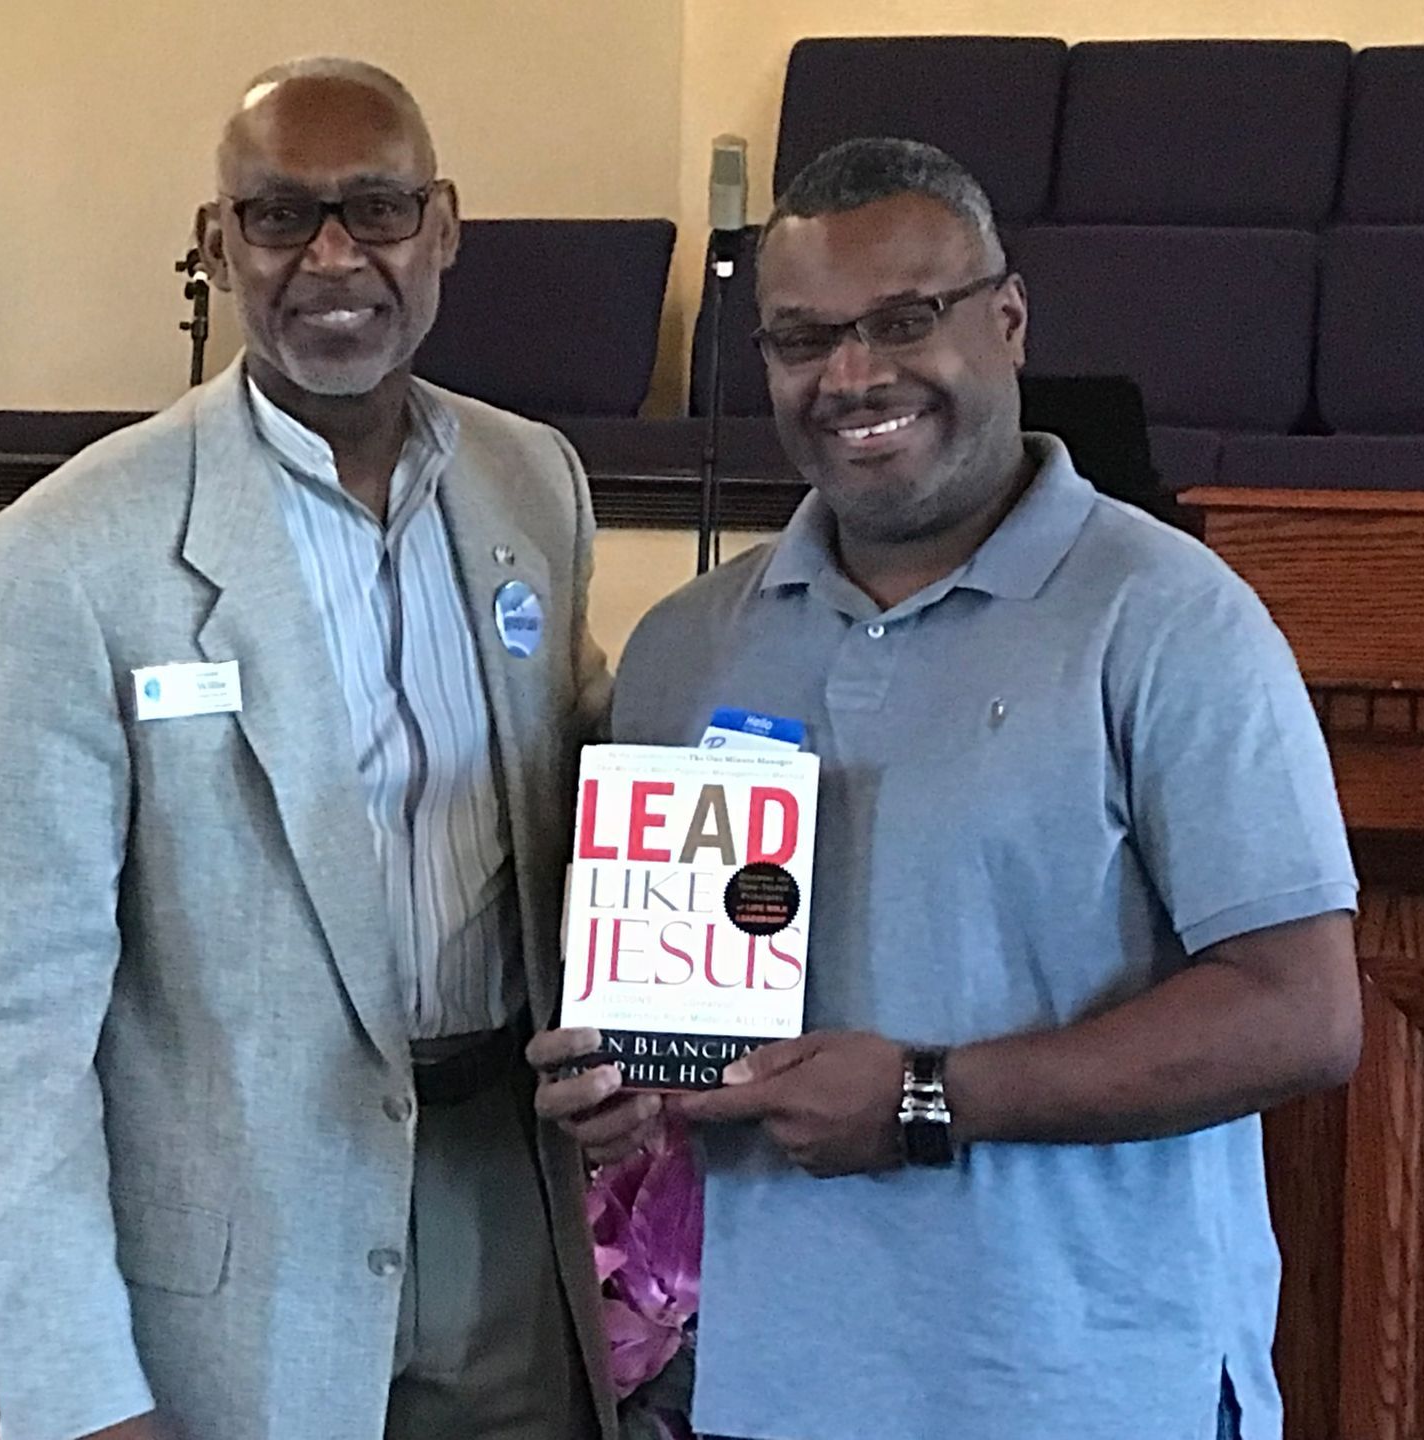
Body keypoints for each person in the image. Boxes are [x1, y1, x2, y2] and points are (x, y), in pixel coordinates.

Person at [530, 137, 1361, 1440]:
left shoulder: (1170, 617)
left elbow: (1303, 1014)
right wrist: (622, 1089)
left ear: (1009, 321)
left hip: (1091, 1393)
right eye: (804, 338)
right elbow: (687, 1013)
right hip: (777, 1393)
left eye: (905, 320)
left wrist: (927, 1096)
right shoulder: (684, 649)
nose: (854, 376)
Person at [0, 57, 613, 1440]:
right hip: (242, 1276)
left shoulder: (533, 481)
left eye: (380, 208)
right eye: (282, 215)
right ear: (218, 240)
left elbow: (572, 800)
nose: (335, 257)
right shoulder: (71, 554)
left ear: (446, 227)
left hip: (508, 1212)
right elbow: (1, 1022)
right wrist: (78, 1392)